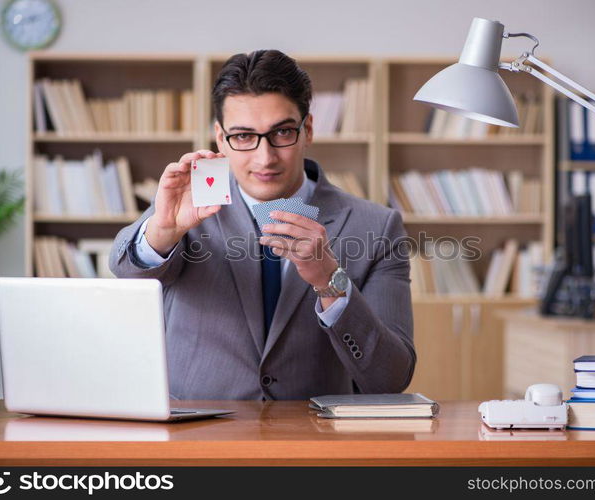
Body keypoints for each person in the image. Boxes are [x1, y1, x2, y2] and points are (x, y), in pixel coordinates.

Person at [109, 49, 415, 400]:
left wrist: (330, 282)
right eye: (243, 136)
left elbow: (391, 378)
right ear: (220, 139)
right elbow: (125, 273)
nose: (265, 157)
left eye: (282, 132)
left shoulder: (376, 226)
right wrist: (163, 231)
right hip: (197, 442)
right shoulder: (186, 208)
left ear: (308, 130)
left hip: (313, 443)